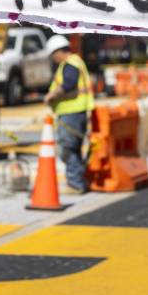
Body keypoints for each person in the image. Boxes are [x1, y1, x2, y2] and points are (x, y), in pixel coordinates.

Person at [43, 35, 94, 193]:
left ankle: (75, 183)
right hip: (74, 112)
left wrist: (51, 96)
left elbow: (69, 84)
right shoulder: (75, 62)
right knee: (74, 148)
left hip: (71, 112)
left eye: (53, 55)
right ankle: (78, 180)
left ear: (58, 52)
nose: (53, 59)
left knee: (68, 148)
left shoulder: (70, 63)